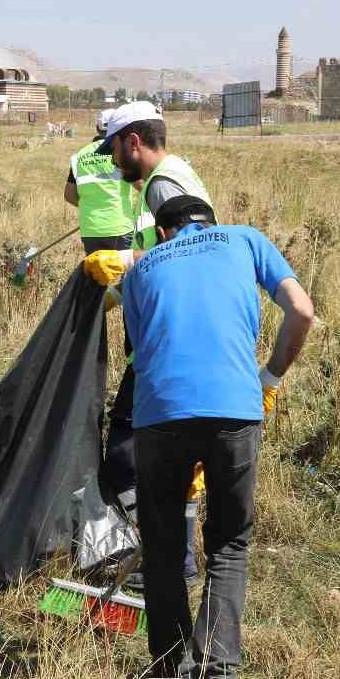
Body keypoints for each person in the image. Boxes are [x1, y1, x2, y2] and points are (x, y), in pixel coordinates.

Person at [120, 194, 314, 679]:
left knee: (162, 544)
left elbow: (141, 351)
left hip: (159, 414)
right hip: (234, 407)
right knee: (228, 543)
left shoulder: (141, 269)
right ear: (211, 222)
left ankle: (165, 675)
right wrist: (270, 376)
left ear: (163, 233)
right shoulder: (247, 239)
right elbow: (302, 310)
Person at [81, 103, 211, 547]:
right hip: (171, 335)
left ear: (132, 142)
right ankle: (171, 549)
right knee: (164, 454)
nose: (113, 158)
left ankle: (152, 545)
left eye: (114, 148)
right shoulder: (169, 177)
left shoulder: (164, 186)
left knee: (125, 453)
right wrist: (113, 298)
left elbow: (192, 254)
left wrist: (122, 259)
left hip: (166, 342)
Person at [65, 107, 137, 254]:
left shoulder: (80, 156)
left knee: (96, 273)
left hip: (91, 229)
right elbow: (140, 185)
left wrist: (91, 207)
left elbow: (69, 194)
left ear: (97, 128)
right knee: (121, 274)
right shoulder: (121, 152)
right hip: (120, 227)